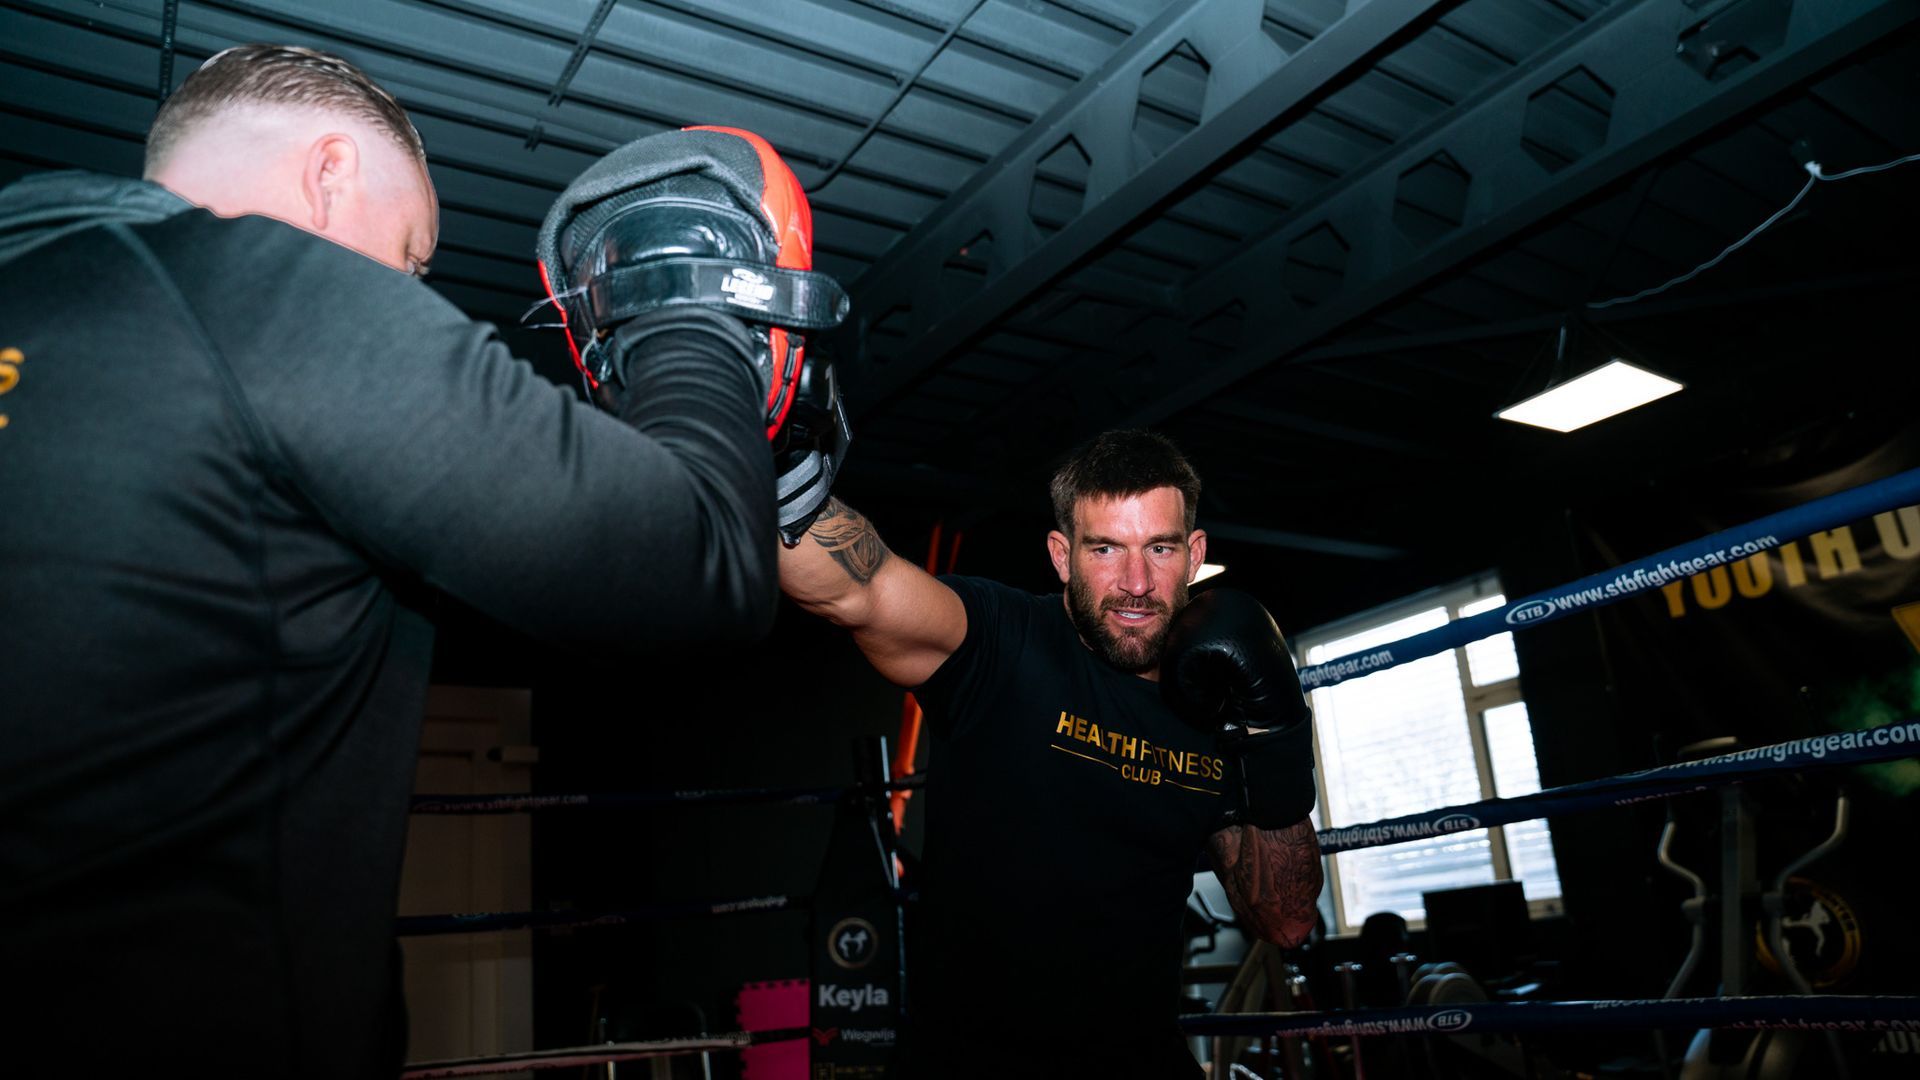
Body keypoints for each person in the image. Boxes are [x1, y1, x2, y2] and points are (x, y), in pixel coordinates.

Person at [0, 44, 839, 1077]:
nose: (410, 292)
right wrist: (688, 308)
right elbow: (704, 569)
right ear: (329, 174)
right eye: (409, 259)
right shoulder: (253, 291)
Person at [781, 429, 1325, 1078]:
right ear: (1062, 555)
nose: (1136, 583)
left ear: (1193, 552)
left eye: (1160, 547)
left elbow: (1286, 920)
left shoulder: (1214, 705)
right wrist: (778, 473)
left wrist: (1275, 735)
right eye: (1105, 549)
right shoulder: (1000, 641)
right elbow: (860, 589)